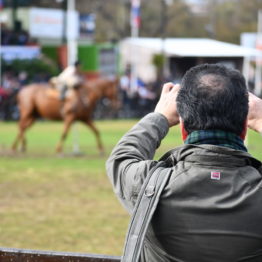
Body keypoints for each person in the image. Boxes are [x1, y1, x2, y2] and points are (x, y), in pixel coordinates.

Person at [106, 63, 262, 261]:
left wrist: (159, 117)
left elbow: (122, 157)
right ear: (244, 128)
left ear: (183, 128)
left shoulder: (149, 184)